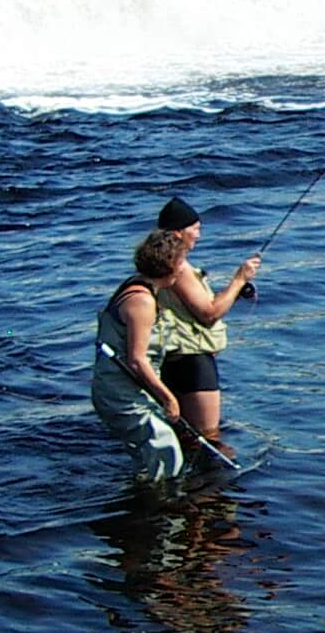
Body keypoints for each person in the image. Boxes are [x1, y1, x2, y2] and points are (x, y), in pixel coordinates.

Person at [151, 196, 261, 440]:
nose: (199, 235)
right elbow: (209, 314)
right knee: (208, 437)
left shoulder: (160, 265)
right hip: (193, 363)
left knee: (185, 437)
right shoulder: (178, 267)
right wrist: (239, 279)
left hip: (174, 361)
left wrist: (233, 292)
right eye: (195, 229)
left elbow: (197, 308)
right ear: (178, 233)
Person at [90, 229, 191, 481]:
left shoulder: (137, 285)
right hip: (122, 395)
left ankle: (144, 494)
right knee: (167, 452)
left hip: (123, 389)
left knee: (147, 459)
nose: (183, 268)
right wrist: (168, 398)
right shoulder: (142, 302)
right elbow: (137, 360)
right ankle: (165, 502)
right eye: (181, 262)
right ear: (168, 266)